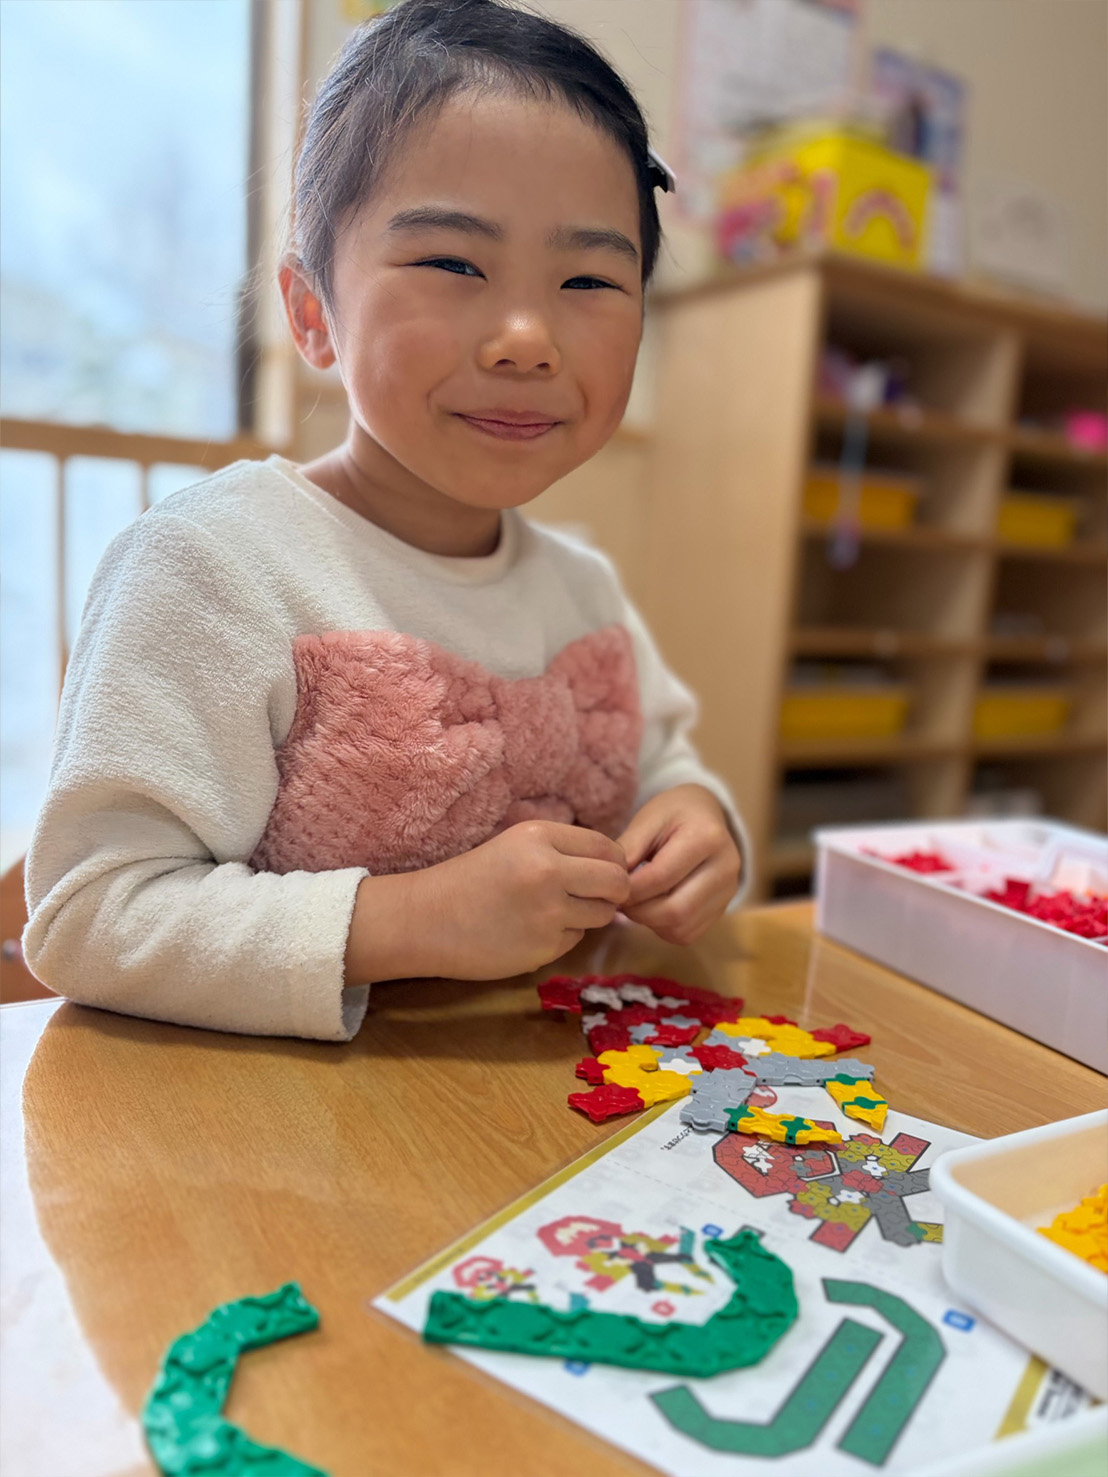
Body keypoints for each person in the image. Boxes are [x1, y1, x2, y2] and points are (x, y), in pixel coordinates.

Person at [23, 0, 748, 1041]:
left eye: (589, 278)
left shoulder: (581, 589)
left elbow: (665, 768)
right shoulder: (213, 566)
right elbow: (89, 917)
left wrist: (696, 822)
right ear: (312, 312)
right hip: (260, 1120)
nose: (526, 337)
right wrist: (408, 920)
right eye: (454, 264)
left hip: (537, 1098)